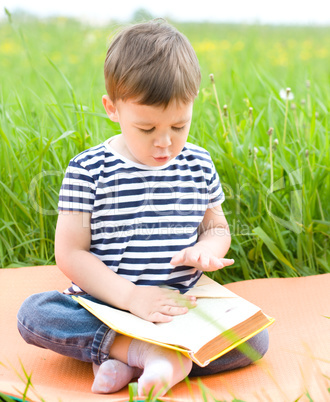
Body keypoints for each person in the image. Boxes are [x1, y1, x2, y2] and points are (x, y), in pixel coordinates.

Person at [17, 20, 269, 398]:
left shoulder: (198, 164)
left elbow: (216, 227)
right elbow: (70, 253)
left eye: (179, 126)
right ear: (112, 108)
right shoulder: (88, 170)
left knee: (257, 339)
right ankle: (146, 353)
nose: (165, 143)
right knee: (35, 314)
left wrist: (208, 250)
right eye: (147, 129)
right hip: (107, 307)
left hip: (179, 306)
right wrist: (132, 298)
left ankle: (127, 361)